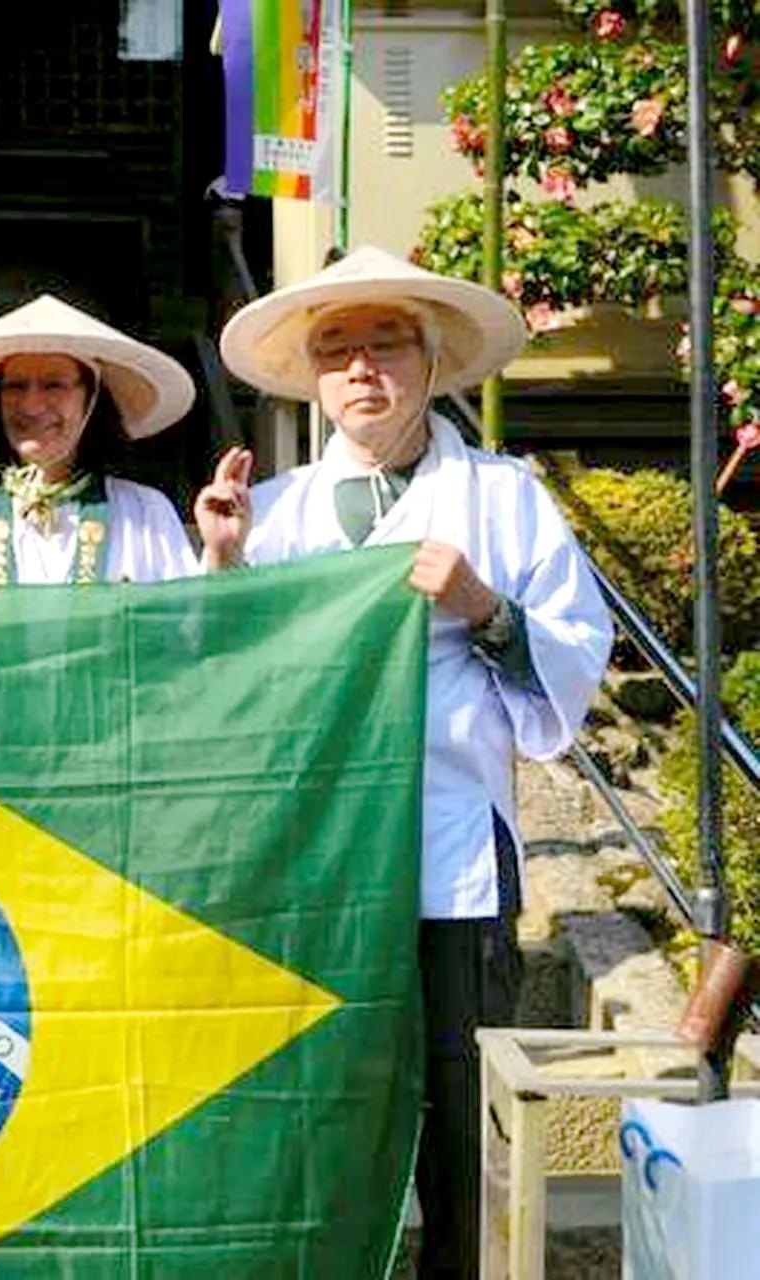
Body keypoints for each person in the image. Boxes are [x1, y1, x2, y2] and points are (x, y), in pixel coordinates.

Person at [192, 245, 612, 1278]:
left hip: (454, 835)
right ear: (317, 377)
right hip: (315, 856)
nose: (363, 368)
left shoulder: (505, 497)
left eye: (386, 344)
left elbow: (572, 648)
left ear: (430, 365)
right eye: (339, 350)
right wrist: (225, 563)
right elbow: (226, 680)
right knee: (323, 1088)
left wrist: (484, 607)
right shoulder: (278, 509)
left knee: (465, 1092)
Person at [0, 294, 199, 584]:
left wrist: (222, 552)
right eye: (15, 386)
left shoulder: (144, 513)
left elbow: (188, 624)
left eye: (54, 386)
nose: (31, 406)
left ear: (92, 399)